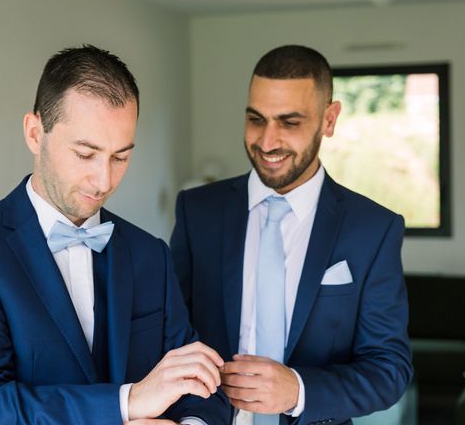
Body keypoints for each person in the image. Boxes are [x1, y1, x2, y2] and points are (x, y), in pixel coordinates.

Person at [0, 44, 231, 425]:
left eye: (120, 156)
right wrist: (128, 402)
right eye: (86, 154)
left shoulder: (149, 254)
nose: (104, 180)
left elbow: (200, 376)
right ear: (35, 133)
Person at [170, 45, 413, 425]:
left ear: (329, 120)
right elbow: (170, 338)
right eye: (256, 119)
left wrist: (298, 390)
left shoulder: (374, 229)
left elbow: (390, 370)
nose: (267, 142)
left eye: (290, 122)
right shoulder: (196, 212)